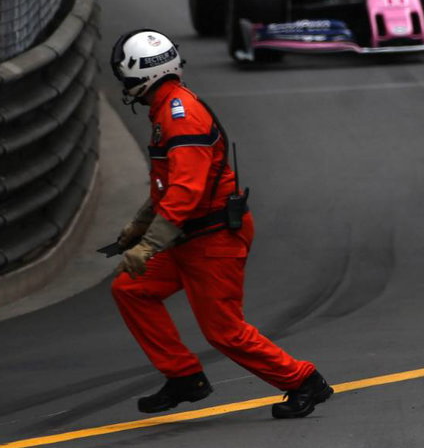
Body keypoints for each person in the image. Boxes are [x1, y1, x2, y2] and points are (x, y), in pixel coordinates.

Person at [107, 29, 333, 419]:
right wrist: (139, 224)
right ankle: (184, 377)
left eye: (125, 79)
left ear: (141, 75)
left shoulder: (181, 117)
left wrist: (147, 246)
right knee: (131, 289)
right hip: (187, 235)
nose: (125, 87)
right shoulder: (166, 109)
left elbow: (186, 193)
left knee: (224, 331)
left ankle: (303, 380)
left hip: (212, 239)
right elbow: (167, 185)